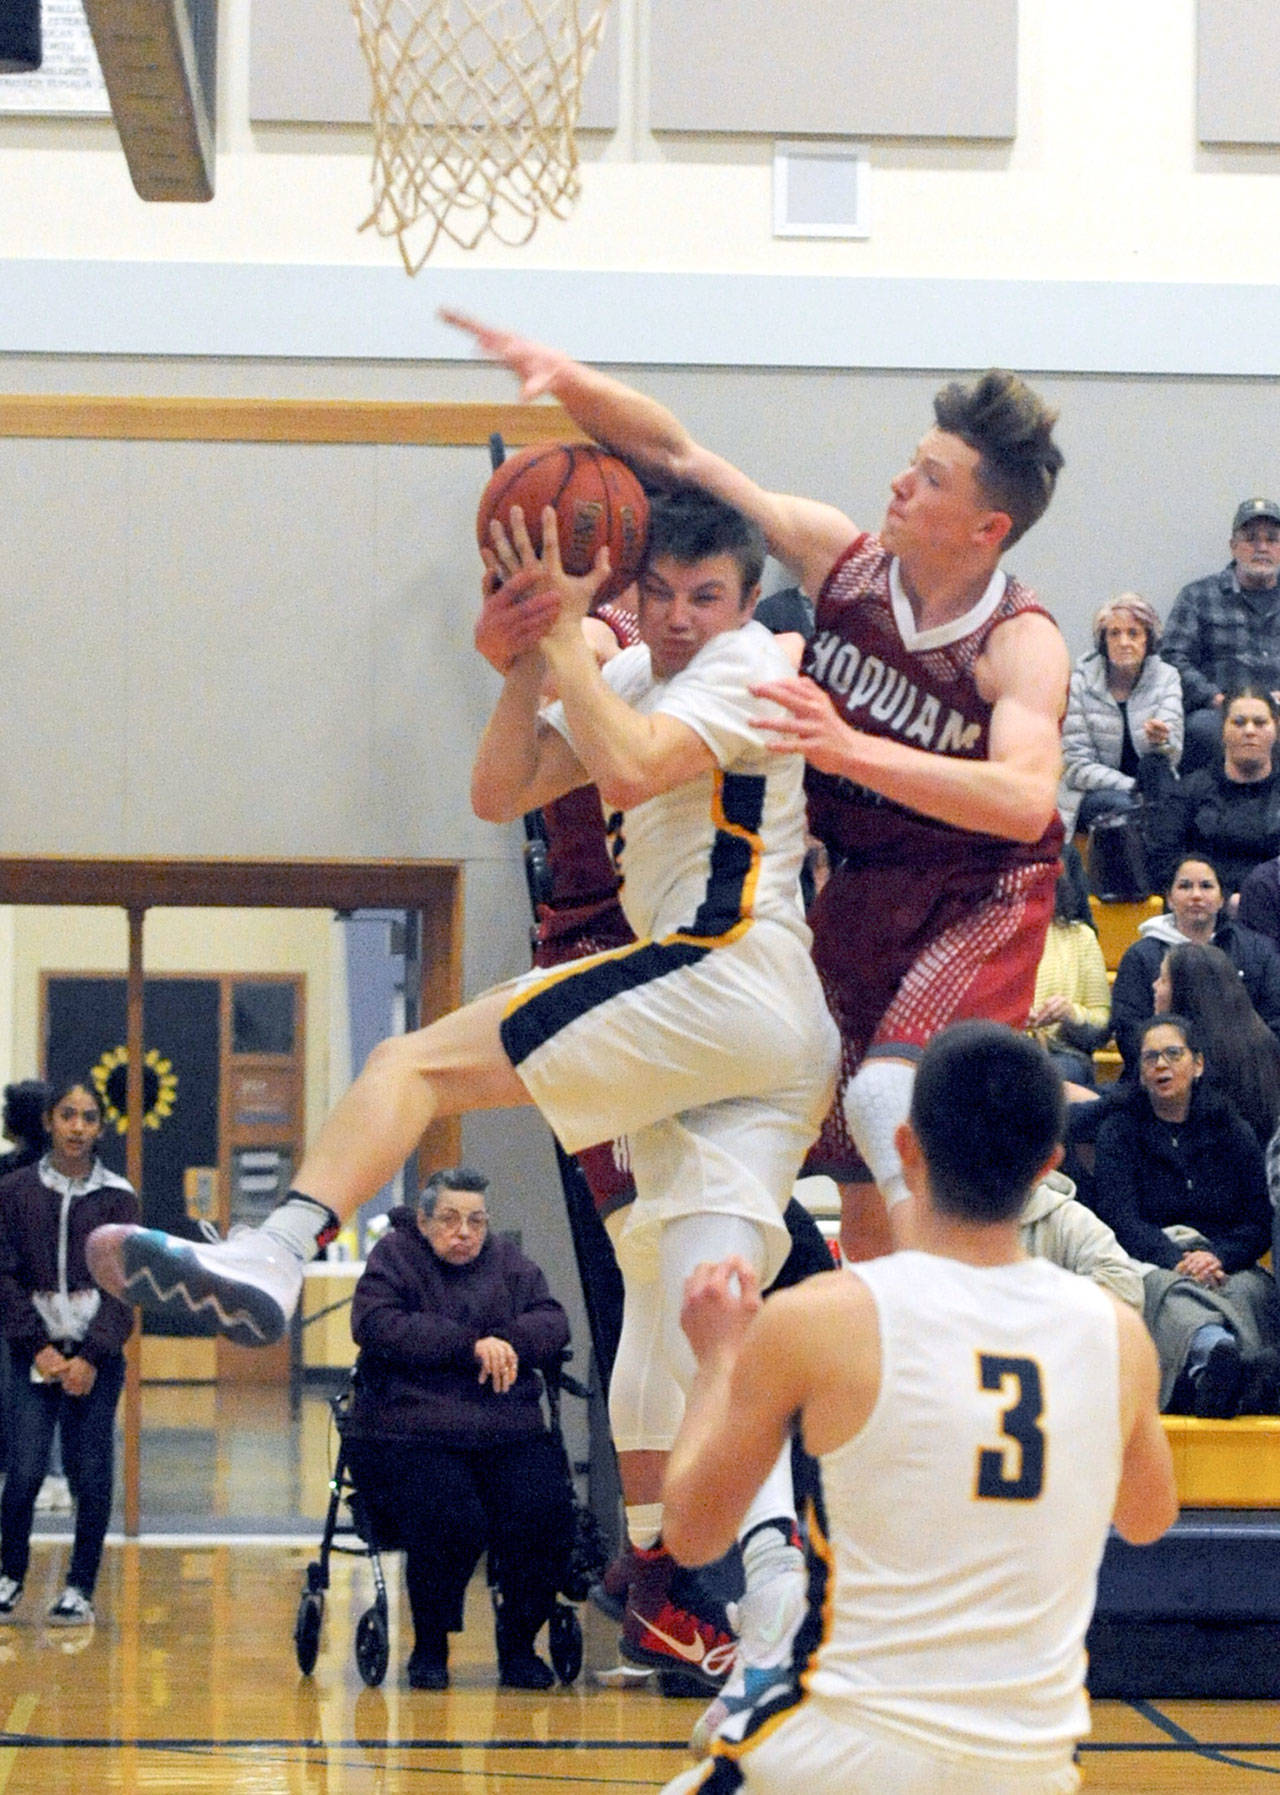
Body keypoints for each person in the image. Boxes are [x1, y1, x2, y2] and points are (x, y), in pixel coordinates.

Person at [89, 487, 841, 1694]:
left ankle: (275, 1253)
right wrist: (520, 672)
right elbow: (501, 795)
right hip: (765, 1044)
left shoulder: (745, 669)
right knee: (684, 1303)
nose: (687, 618)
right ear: (637, 592)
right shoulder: (642, 672)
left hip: (719, 973)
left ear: (746, 604)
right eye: (667, 595)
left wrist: (558, 637)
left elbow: (637, 762)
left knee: (411, 1062)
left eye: (711, 597)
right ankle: (743, 1592)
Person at [437, 312, 1069, 1263]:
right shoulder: (839, 557)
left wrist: (848, 749)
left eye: (932, 478)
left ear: (989, 527)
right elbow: (681, 453)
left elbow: (1026, 800)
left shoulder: (1020, 640)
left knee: (887, 1098)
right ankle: (879, 1367)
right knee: (857, 1159)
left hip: (981, 888)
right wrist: (568, 375)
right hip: (862, 882)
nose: (901, 481)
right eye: (913, 460)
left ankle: (978, 1301)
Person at [656, 1022, 1176, 1794]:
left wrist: (719, 1364)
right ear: (1048, 1166)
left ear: (905, 1148)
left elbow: (693, 1532)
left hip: (843, 1751)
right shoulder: (1118, 1335)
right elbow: (1147, 1517)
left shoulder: (823, 1318)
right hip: (1029, 1767)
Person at [341, 1167, 573, 1690]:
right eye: (448, 1220)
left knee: (544, 1514)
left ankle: (518, 1645)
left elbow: (553, 1320)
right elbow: (376, 1324)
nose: (463, 1232)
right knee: (451, 1519)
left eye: (475, 1221)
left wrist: (507, 1341)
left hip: (505, 1430)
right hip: (413, 1429)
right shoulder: (394, 1260)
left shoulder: (510, 1264)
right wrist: (469, 1344)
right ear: (423, 1221)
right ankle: (430, 1645)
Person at [1092, 1015, 1280, 1418]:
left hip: (1224, 1261)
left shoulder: (1233, 1129)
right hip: (1153, 1257)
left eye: (1172, 1054)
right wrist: (1176, 1259)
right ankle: (1213, 1359)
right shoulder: (1119, 1131)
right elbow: (1119, 1218)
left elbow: (1258, 1220)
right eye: (1150, 1058)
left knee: (1250, 1291)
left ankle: (1235, 1377)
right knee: (1169, 1295)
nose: (1161, 1065)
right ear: (1140, 1074)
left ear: (1198, 1064)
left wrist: (1218, 1256)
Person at [0, 1076, 138, 1625]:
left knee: (89, 1473)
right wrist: (38, 1349)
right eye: (67, 1115)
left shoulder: (118, 1197)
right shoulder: (14, 1192)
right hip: (34, 1353)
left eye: (88, 1117)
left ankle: (80, 1585)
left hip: (94, 1358)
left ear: (100, 1127)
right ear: (49, 1122)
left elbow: (126, 1288)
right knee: (26, 1471)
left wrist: (91, 1357)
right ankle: (11, 1573)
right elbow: (4, 1278)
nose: (77, 1127)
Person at [1109, 854, 1280, 1075]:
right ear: (1169, 898)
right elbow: (1129, 1032)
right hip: (1160, 1078)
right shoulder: (1141, 956)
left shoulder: (1256, 951)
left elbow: (1274, 1022)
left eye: (1207, 886)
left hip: (1242, 1076)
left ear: (1222, 899)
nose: (1196, 895)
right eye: (1185, 886)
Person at [1163, 497, 1280, 775]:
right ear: (1233, 546)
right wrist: (1216, 698)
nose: (1262, 547)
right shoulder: (1198, 596)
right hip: (1219, 712)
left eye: (1272, 539)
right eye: (1251, 538)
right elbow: (1171, 657)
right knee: (1201, 729)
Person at [1058, 593, 1183, 836]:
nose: (1124, 642)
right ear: (1103, 642)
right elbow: (1076, 766)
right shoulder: (1079, 683)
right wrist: (1133, 787)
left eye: (1133, 633)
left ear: (1148, 639)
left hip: (1153, 787)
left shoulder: (1167, 677)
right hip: (1093, 794)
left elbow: (1172, 756)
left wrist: (1162, 742)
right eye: (1114, 633)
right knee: (1129, 809)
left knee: (1162, 778)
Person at [1154, 684, 1280, 896]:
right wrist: (1222, 901)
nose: (1249, 731)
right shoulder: (1188, 793)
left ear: (1276, 728)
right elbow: (1165, 864)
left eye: (1260, 723)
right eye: (1239, 722)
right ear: (1222, 729)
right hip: (1206, 914)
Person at [1026, 850, 1111, 1086]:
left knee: (1058, 1075)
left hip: (1059, 1051)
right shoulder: (988, 934)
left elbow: (1101, 1023)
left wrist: (1070, 1013)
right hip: (997, 1045)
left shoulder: (1080, 937)